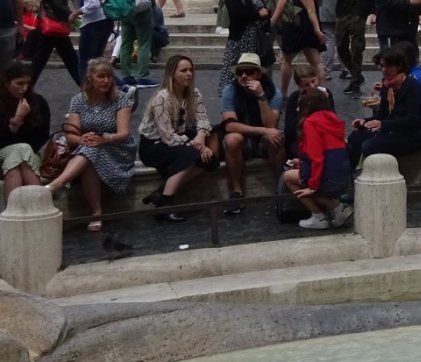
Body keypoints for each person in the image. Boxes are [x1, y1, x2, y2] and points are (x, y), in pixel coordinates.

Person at [46, 56, 136, 230]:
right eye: (101, 76)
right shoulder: (78, 100)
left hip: (117, 148)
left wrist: (104, 139)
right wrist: (82, 139)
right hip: (88, 147)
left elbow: (123, 134)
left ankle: (58, 184)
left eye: (108, 76)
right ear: (90, 78)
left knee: (90, 151)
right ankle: (96, 213)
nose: (106, 81)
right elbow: (71, 135)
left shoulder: (121, 99)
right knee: (90, 153)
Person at [138, 53, 220, 218]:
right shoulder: (162, 98)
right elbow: (167, 136)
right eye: (183, 70)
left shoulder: (194, 93)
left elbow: (203, 119)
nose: (188, 74)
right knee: (193, 155)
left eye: (190, 70)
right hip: (154, 145)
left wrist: (201, 135)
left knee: (210, 159)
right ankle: (165, 206)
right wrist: (197, 145)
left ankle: (162, 192)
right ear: (172, 73)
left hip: (179, 137)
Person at [219, 52, 285, 215]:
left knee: (274, 138)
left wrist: (261, 97)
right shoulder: (230, 90)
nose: (243, 76)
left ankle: (281, 187)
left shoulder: (274, 93)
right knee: (232, 139)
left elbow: (271, 125)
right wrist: (264, 130)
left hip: (263, 139)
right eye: (239, 72)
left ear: (259, 74)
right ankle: (236, 192)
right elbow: (230, 126)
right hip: (244, 136)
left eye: (249, 72)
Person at [283, 87, 353, 229]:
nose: (297, 109)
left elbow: (317, 158)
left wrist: (312, 187)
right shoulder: (332, 119)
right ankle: (335, 208)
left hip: (328, 178)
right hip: (343, 176)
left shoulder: (310, 123)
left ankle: (320, 216)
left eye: (300, 104)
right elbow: (328, 153)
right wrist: (302, 163)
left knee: (288, 177)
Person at [347, 46, 421, 167]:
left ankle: (377, 175)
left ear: (398, 66)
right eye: (382, 66)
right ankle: (351, 173)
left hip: (412, 135)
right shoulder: (387, 86)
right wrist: (364, 122)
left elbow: (412, 120)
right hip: (393, 131)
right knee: (355, 137)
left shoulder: (411, 86)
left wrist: (383, 125)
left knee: (369, 145)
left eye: (388, 66)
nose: (384, 70)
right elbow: (382, 115)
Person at [25, 0, 80, 88]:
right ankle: (25, 89)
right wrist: (71, 14)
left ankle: (26, 89)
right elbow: (56, 4)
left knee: (69, 60)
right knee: (41, 62)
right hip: (52, 26)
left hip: (55, 27)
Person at [0, 60, 50, 198]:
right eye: (19, 83)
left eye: (27, 83)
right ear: (6, 83)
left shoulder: (38, 102)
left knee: (20, 155)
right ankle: (39, 207)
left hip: (29, 155)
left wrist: (23, 150)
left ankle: (13, 210)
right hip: (1, 156)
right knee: (21, 150)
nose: (24, 88)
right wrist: (16, 121)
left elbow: (42, 135)